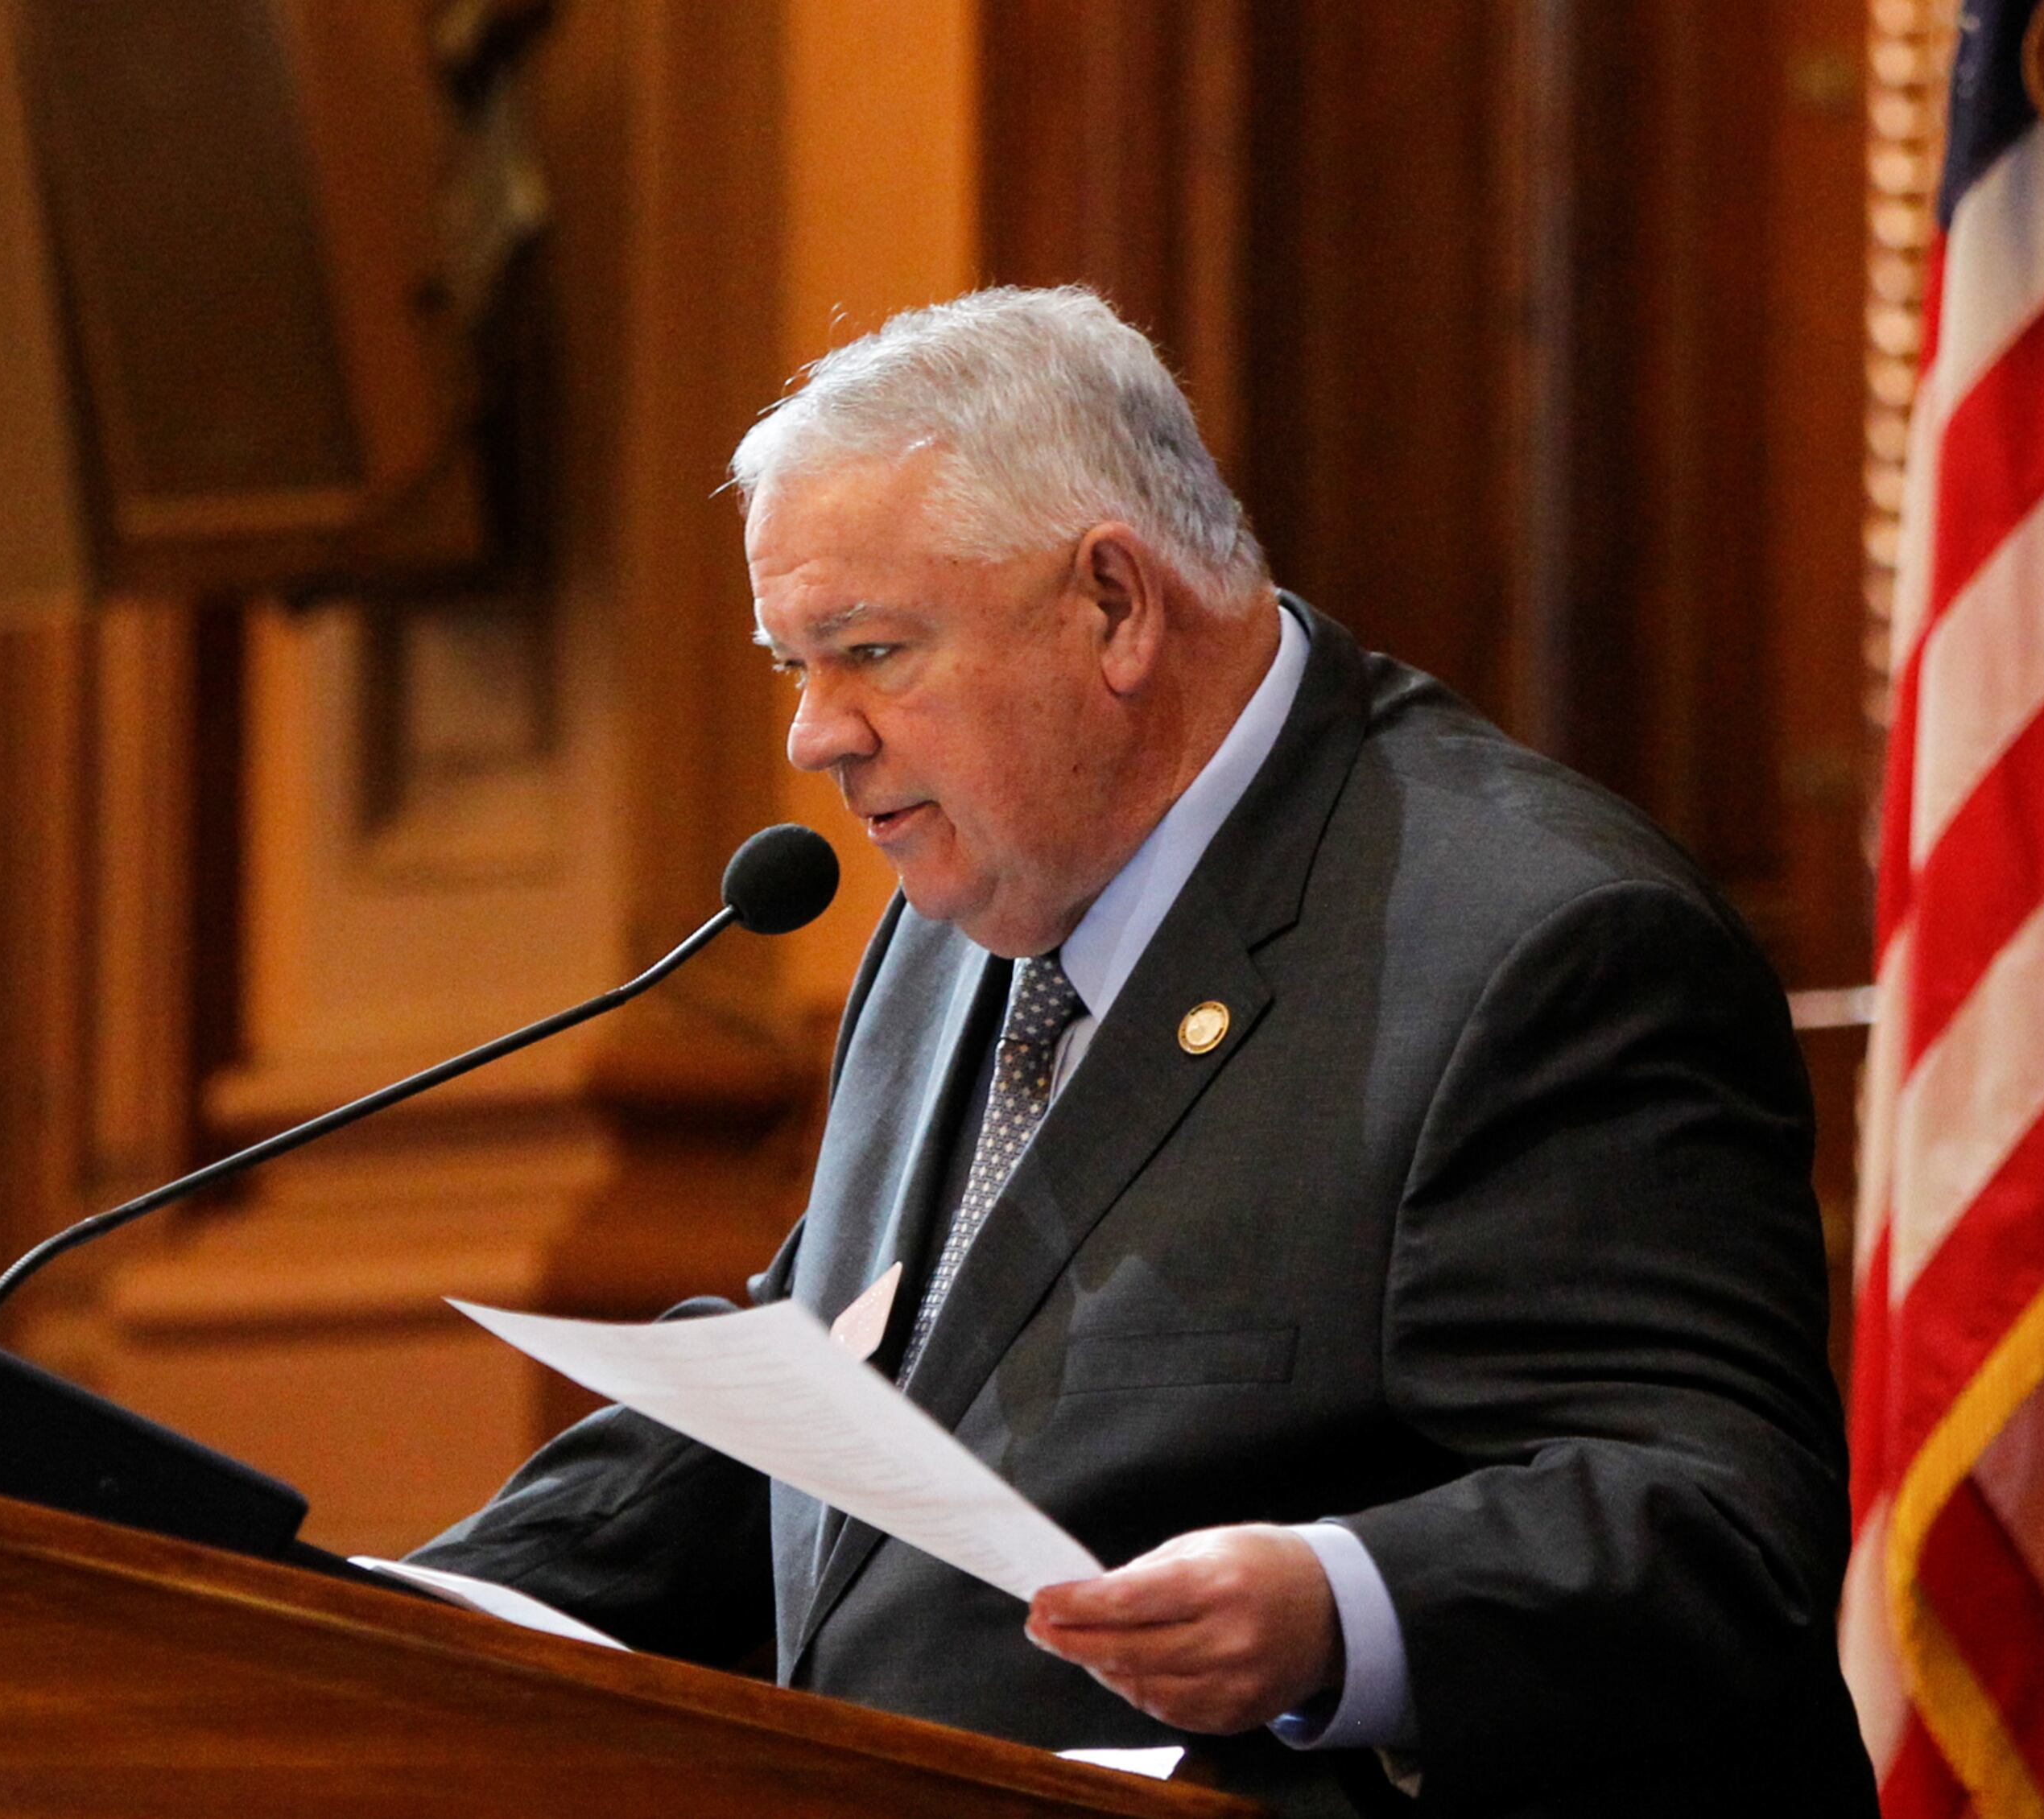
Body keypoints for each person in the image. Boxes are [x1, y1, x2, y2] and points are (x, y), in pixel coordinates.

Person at [412, 287, 1874, 1817]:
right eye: (797, 666)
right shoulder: (958, 911)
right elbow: (851, 1378)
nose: (815, 736)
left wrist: (1336, 1608)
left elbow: (1722, 1530)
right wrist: (409, 1608)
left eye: (869, 652)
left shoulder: (1537, 944)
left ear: (1113, 606)